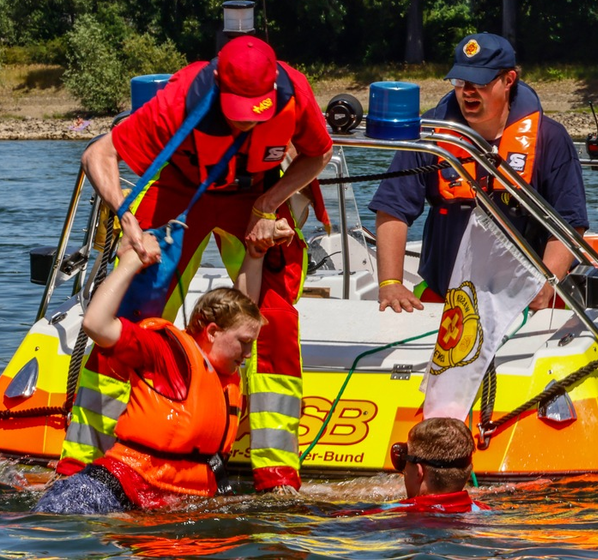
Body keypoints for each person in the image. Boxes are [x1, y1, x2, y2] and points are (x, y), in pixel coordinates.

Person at [58, 34, 333, 493]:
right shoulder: (179, 98)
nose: (246, 125)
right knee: (131, 318)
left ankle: (277, 476)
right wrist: (127, 221)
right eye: (237, 114)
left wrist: (269, 204)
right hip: (181, 193)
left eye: (255, 116)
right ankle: (81, 461)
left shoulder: (295, 91)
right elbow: (98, 154)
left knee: (276, 321)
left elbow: (319, 153)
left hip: (256, 194)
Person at [34, 234, 265, 513]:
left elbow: (246, 309)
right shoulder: (165, 352)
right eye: (245, 343)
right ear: (213, 332)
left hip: (169, 502)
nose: (249, 353)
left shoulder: (225, 375)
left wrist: (254, 256)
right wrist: (130, 262)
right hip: (112, 491)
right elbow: (95, 324)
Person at [369, 33, 588, 313]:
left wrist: (548, 284)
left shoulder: (551, 138)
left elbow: (569, 222)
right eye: (460, 82)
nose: (467, 91)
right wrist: (390, 283)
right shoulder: (431, 133)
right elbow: (392, 208)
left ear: (509, 80)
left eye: (479, 82)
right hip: (446, 295)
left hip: (525, 300)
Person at [337, 418, 487, 515]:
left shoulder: (386, 515)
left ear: (418, 472)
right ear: (468, 473)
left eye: (403, 461)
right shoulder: (485, 512)